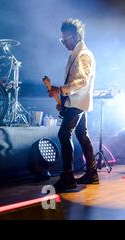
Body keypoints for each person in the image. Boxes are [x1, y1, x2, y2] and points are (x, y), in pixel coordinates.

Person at [48, 18, 98, 192]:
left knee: (64, 134)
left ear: (76, 36)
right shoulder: (76, 53)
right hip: (77, 102)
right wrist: (63, 101)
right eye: (61, 40)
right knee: (82, 135)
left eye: (65, 39)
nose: (63, 43)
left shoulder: (83, 55)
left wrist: (60, 90)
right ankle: (92, 173)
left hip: (78, 102)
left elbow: (81, 81)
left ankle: (68, 177)